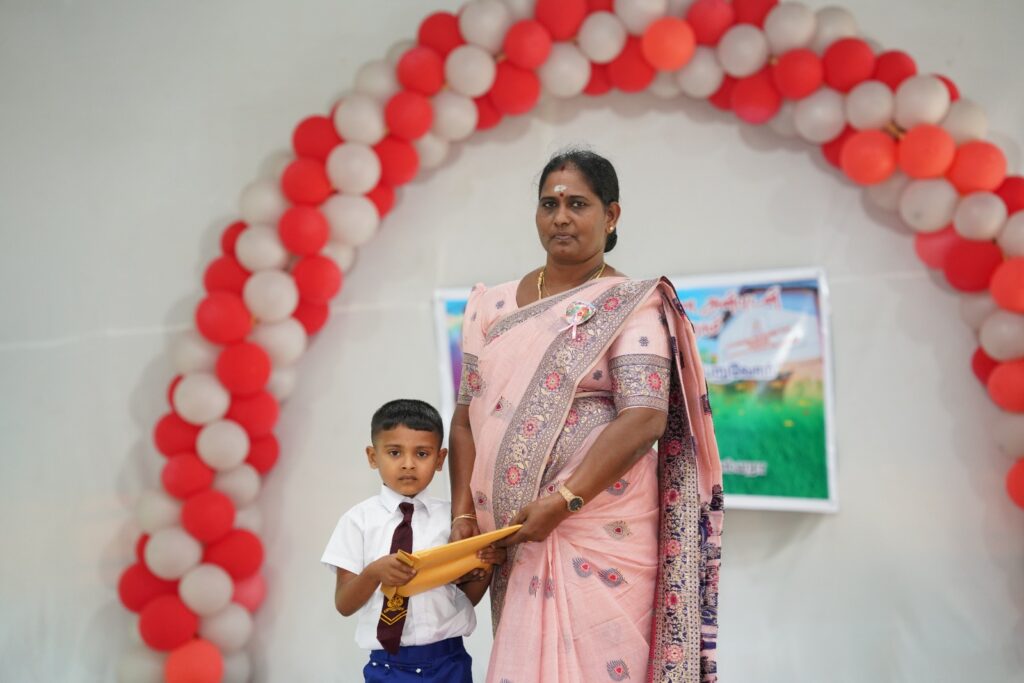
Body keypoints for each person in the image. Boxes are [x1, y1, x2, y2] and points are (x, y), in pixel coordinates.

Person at [447, 149, 724, 683]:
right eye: (549, 204)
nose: (561, 217)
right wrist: (464, 519)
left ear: (611, 215)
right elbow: (465, 419)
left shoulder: (631, 303)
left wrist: (564, 500)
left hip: (600, 528)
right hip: (514, 534)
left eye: (578, 204)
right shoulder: (491, 307)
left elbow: (643, 417)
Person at [322, 399, 499, 682]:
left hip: (450, 662)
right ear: (372, 456)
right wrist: (374, 573)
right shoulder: (356, 522)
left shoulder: (455, 521)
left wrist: (485, 568)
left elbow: (464, 599)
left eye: (422, 454)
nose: (408, 464)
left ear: (440, 460)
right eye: (394, 453)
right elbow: (344, 604)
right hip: (387, 668)